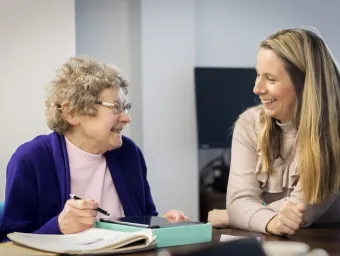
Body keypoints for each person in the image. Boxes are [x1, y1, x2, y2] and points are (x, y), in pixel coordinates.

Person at [0, 56, 188, 241]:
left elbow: (146, 218)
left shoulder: (129, 154)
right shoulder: (31, 160)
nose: (126, 118)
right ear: (71, 113)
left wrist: (164, 224)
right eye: (115, 107)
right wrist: (58, 226)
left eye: (125, 107)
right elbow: (9, 244)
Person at [208, 28, 340, 235]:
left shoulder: (334, 131)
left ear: (305, 84)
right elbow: (239, 201)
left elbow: (301, 210)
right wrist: (265, 220)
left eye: (270, 79)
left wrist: (233, 215)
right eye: (258, 75)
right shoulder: (249, 124)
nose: (257, 88)